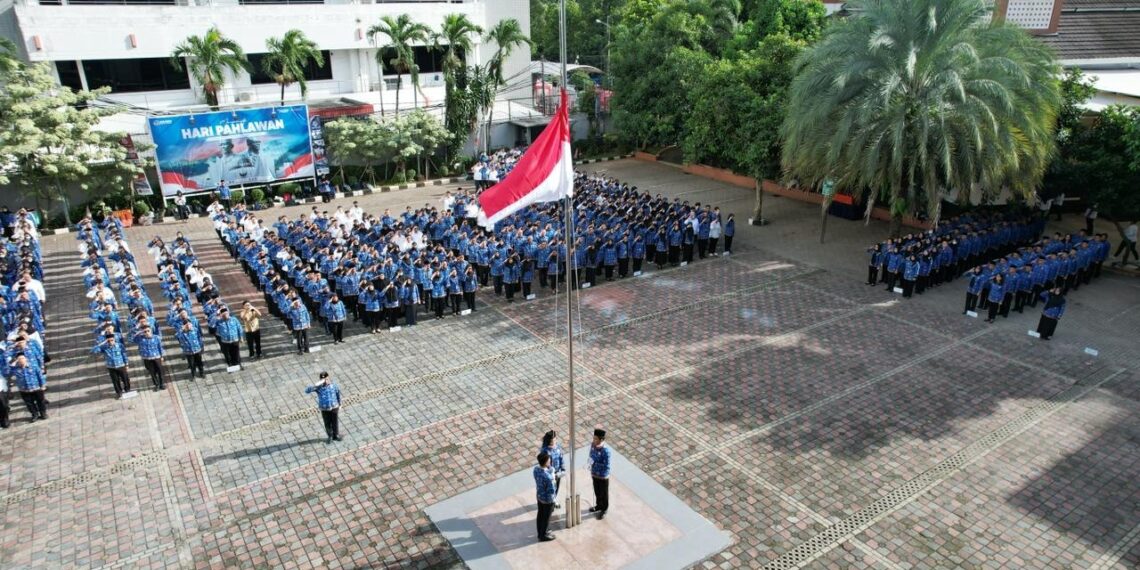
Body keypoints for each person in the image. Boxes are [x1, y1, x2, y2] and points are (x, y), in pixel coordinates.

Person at [305, 371, 342, 444]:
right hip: (324, 408)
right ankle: (330, 436)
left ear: (328, 377)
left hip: (334, 406)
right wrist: (315, 385)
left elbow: (338, 393)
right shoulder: (319, 387)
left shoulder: (333, 385)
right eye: (323, 379)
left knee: (335, 422)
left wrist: (339, 403)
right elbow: (307, 391)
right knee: (327, 423)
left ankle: (336, 435)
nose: (325, 381)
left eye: (326, 378)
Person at [9, 354, 46, 421]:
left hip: (36, 388)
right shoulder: (16, 369)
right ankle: (35, 414)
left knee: (40, 401)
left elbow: (40, 376)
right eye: (19, 359)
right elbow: (8, 370)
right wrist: (14, 362)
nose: (21, 360)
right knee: (29, 404)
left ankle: (43, 413)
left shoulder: (33, 366)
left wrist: (42, 385)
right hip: (24, 390)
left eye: (23, 358)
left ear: (26, 359)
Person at [588, 428, 612, 519]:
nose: (594, 440)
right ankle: (598, 505)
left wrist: (595, 463)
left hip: (603, 476)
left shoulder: (606, 451)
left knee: (604, 493)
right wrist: (589, 462)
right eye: (593, 438)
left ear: (601, 439)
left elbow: (606, 465)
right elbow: (591, 454)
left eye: (596, 439)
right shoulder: (593, 445)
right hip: (594, 474)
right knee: (597, 491)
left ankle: (604, 509)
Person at [533, 451, 557, 542]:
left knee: (540, 514)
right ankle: (543, 534)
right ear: (546, 461)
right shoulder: (548, 477)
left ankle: (540, 532)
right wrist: (553, 477)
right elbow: (552, 490)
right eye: (549, 459)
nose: (550, 460)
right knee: (546, 517)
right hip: (548, 500)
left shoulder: (536, 469)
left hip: (539, 495)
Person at [540, 431, 566, 508]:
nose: (554, 441)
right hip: (549, 474)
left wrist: (563, 468)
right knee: (550, 489)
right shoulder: (545, 450)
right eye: (552, 440)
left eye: (555, 439)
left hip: (557, 473)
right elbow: (544, 464)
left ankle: (554, 500)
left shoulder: (558, 447)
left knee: (556, 488)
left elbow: (561, 457)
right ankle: (550, 504)